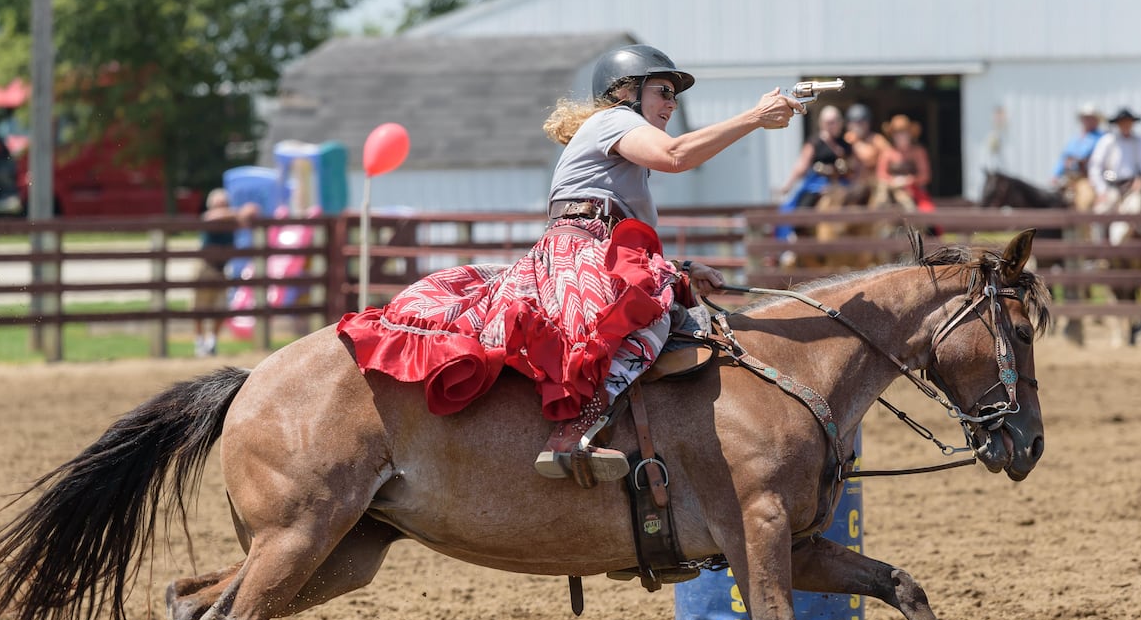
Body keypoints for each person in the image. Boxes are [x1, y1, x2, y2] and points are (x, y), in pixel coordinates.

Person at [337, 43, 805, 482]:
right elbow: (676, 156)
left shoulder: (620, 140)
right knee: (651, 318)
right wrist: (755, 117)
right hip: (581, 248)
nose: (671, 104)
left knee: (660, 302)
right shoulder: (614, 121)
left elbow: (622, 220)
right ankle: (574, 430)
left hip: (590, 244)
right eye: (663, 91)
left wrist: (679, 267)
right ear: (625, 92)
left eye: (673, 96)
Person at [193, 188, 258, 357]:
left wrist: (246, 212)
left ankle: (212, 342)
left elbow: (251, 212)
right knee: (199, 307)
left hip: (223, 268)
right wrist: (239, 212)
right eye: (218, 204)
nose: (222, 208)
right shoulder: (211, 217)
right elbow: (211, 217)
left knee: (221, 307)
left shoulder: (233, 221)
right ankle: (199, 342)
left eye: (224, 204)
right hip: (206, 267)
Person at [778, 103, 852, 208]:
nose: (832, 125)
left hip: (841, 183)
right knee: (801, 208)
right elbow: (802, 166)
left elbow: (853, 165)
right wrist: (788, 185)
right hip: (818, 183)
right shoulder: (815, 142)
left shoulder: (845, 143)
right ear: (821, 123)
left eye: (834, 122)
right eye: (829, 123)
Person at [1087, 108, 1141, 209]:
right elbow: (1095, 167)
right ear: (1117, 124)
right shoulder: (1108, 141)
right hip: (1111, 185)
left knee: (1134, 209)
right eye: (1122, 122)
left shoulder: (1140, 142)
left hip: (1133, 186)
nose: (1125, 125)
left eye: (1128, 122)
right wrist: (1101, 190)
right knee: (1101, 211)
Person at [873, 114, 934, 211]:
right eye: (897, 133)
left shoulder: (918, 151)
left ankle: (916, 224)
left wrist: (908, 181)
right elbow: (881, 174)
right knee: (881, 194)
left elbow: (925, 175)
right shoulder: (887, 153)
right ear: (892, 135)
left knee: (912, 206)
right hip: (891, 192)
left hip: (914, 192)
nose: (901, 136)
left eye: (904, 133)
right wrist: (893, 182)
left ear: (910, 134)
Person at [1051, 103, 1105, 186]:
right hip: (1070, 176)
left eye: (1091, 118)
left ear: (1097, 120)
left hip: (1089, 177)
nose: (1088, 121)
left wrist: (1078, 160)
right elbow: (1064, 158)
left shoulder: (1102, 138)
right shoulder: (1075, 139)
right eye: (1086, 118)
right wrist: (1055, 175)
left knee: (1085, 197)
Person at [842, 103, 887, 184]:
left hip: (873, 185)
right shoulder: (846, 140)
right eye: (853, 123)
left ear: (868, 123)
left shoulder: (877, 139)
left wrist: (856, 142)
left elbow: (869, 159)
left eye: (861, 123)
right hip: (851, 184)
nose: (857, 126)